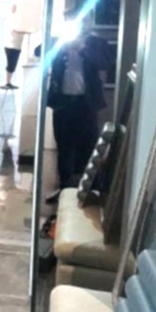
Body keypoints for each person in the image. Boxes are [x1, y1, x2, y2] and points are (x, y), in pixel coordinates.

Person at [47, 28, 110, 195]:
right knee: (64, 148)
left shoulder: (96, 42)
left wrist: (82, 48)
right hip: (63, 103)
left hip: (86, 104)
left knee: (90, 146)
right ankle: (64, 188)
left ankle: (91, 190)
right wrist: (60, 44)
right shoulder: (60, 41)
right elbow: (39, 51)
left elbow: (104, 63)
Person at [2, 2, 24, 90]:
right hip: (11, 45)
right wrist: (26, 31)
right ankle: (7, 83)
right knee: (11, 65)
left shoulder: (18, 18)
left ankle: (9, 82)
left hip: (16, 45)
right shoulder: (11, 18)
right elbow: (16, 29)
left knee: (12, 65)